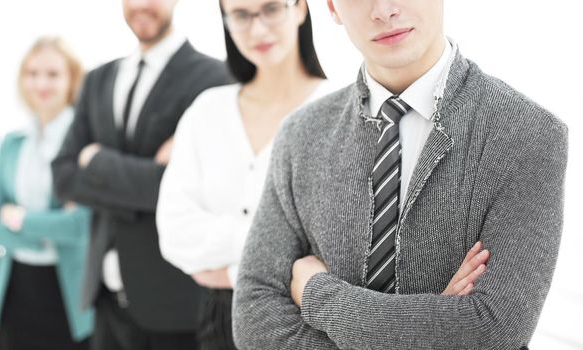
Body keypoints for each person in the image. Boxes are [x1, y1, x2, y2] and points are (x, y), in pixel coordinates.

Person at [232, 1, 569, 349]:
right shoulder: (301, 135)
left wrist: (319, 295)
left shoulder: (528, 133)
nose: (384, 10)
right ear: (332, 7)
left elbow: (492, 330)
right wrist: (431, 326)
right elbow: (254, 318)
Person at [51, 0, 231, 348]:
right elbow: (63, 176)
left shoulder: (214, 80)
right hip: (103, 302)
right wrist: (151, 179)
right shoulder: (98, 79)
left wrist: (98, 161)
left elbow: (191, 188)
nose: (142, 5)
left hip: (174, 308)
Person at [155, 0, 330, 349]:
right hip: (219, 321)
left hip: (306, 320)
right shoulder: (207, 110)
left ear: (299, 8)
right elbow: (175, 232)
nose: (257, 28)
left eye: (270, 9)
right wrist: (279, 252)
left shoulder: (339, 109)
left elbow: (340, 250)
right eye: (240, 14)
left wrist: (235, 272)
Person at [0, 36, 92, 350]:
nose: (41, 82)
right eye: (33, 73)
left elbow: (79, 226)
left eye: (53, 74)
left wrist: (18, 218)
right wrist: (44, 231)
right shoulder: (13, 145)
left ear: (71, 81)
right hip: (16, 289)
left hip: (67, 294)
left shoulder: (84, 143)